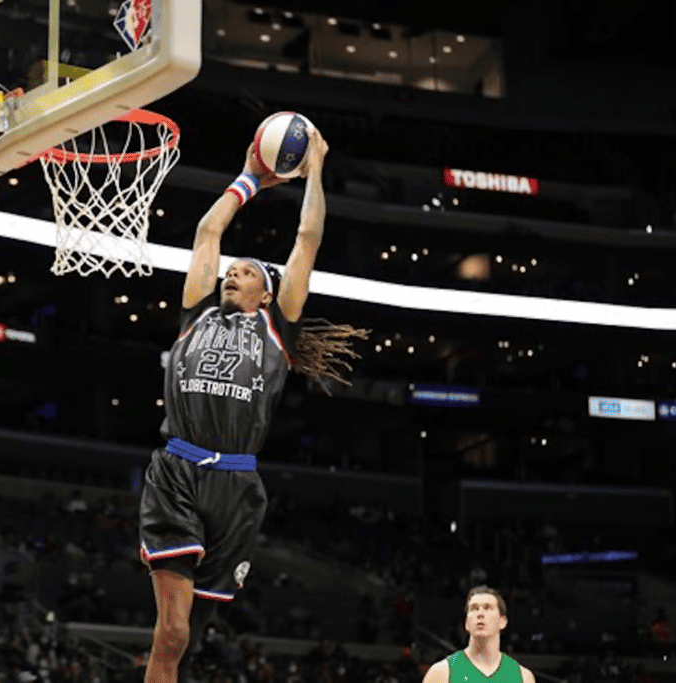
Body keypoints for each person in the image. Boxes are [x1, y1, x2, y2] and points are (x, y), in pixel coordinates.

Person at [139, 126, 368, 683]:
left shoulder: (278, 327)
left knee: (192, 637)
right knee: (171, 631)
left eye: (245, 271)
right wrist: (248, 179)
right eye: (230, 269)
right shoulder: (197, 314)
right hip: (178, 471)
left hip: (237, 487)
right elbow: (206, 231)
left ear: (267, 291)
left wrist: (314, 168)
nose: (232, 273)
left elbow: (307, 238)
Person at [421, 586, 536, 683]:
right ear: (466, 623)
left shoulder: (524, 677)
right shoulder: (441, 673)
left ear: (502, 621)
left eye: (487, 608)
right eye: (474, 608)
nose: (480, 614)